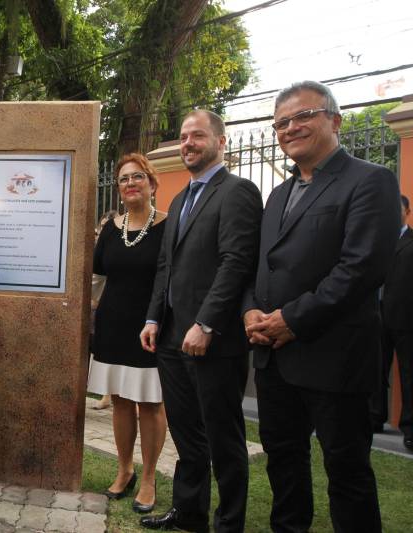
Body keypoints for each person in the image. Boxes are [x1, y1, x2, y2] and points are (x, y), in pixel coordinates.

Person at [243, 81, 400, 533]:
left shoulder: (371, 181)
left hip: (336, 359)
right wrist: (250, 311)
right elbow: (261, 268)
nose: (290, 128)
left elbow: (361, 269)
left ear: (334, 120)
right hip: (274, 360)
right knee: (284, 468)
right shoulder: (276, 196)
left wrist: (292, 320)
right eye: (281, 123)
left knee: (347, 475)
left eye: (302, 116)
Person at [140, 110, 262, 532]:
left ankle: (228, 523)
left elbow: (236, 263)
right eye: (183, 136)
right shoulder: (178, 199)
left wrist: (206, 323)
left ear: (221, 142)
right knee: (187, 434)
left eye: (198, 136)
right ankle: (189, 514)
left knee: (224, 440)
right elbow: (166, 267)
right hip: (172, 336)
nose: (188, 143)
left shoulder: (239, 191)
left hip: (214, 341)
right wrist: (154, 316)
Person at [88, 156, 167, 513]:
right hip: (112, 324)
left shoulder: (169, 225)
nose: (130, 183)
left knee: (150, 404)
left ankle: (149, 477)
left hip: (151, 327)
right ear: (118, 189)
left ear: (152, 183)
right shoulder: (110, 228)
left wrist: (158, 320)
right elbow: (97, 271)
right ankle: (125, 470)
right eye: (123, 179)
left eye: (138, 177)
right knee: (120, 400)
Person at [371, 195, 413, 450]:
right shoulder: (374, 242)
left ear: (407, 213)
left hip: (405, 318)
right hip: (374, 316)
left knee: (408, 373)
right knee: (375, 369)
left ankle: (409, 427)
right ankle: (375, 417)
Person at [90, 210, 118, 411]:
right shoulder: (98, 245)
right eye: (101, 226)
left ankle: (112, 396)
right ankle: (106, 395)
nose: (102, 230)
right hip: (97, 307)